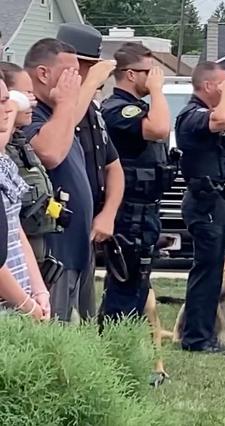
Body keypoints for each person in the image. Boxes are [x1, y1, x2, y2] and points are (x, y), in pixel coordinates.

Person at [99, 42, 173, 324]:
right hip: (128, 212)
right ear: (130, 74)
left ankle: (127, 350)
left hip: (145, 211)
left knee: (138, 286)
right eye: (149, 71)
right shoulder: (118, 109)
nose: (155, 77)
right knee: (125, 287)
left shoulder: (137, 107)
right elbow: (159, 129)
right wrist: (157, 90)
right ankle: (116, 351)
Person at [55, 23, 125, 321]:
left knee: (85, 316)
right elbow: (61, 131)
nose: (87, 74)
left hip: (89, 226)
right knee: (59, 316)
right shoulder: (56, 109)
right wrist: (86, 86)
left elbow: (113, 167)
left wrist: (108, 213)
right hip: (59, 229)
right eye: (83, 67)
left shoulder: (93, 111)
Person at [23, 38, 90, 323]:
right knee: (54, 329)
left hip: (75, 246)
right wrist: (65, 102)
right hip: (50, 249)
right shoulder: (29, 114)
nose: (76, 80)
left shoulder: (58, 113)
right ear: (43, 73)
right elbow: (49, 153)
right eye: (70, 72)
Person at [176, 61, 225, 353]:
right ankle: (196, 338)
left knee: (214, 270)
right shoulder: (192, 115)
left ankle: (205, 333)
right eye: (223, 84)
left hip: (219, 200)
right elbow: (224, 119)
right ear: (208, 86)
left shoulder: (209, 113)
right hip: (204, 202)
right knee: (206, 271)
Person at [0, 70, 51, 320]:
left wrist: (38, 289)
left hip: (19, 296)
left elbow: (15, 229)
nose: (9, 109)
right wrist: (28, 305)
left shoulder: (4, 163)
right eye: (2, 102)